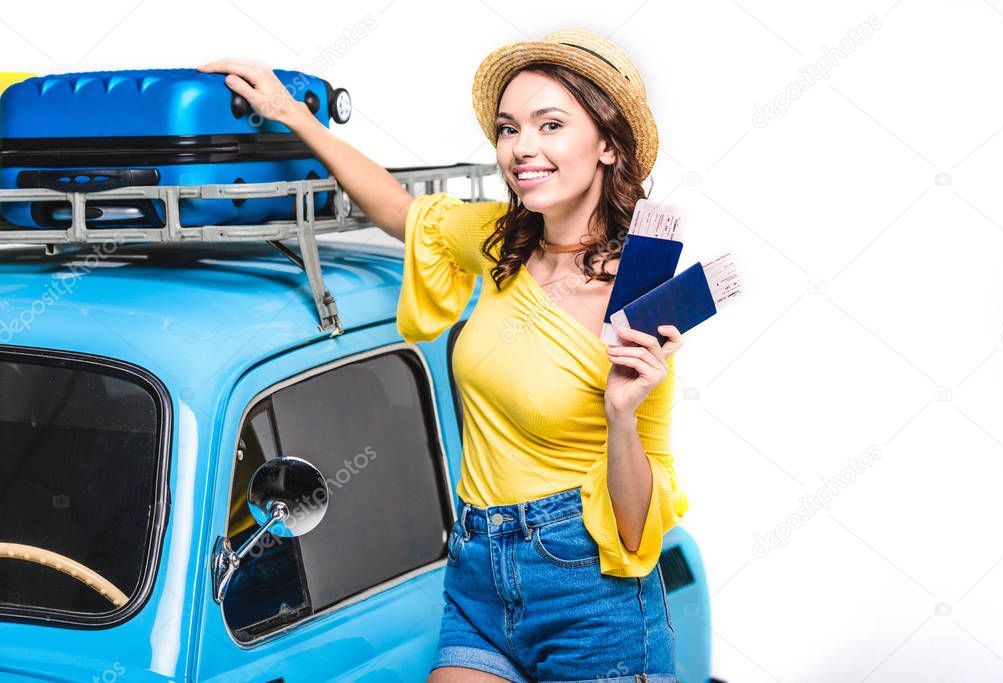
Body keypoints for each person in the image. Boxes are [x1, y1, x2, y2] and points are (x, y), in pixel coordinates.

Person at [200, 27, 688, 682]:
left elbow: (635, 531)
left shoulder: (643, 291)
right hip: (478, 566)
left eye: (550, 125)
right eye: (509, 128)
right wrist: (292, 114)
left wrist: (622, 414)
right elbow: (398, 209)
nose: (522, 148)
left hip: (591, 592)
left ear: (605, 144)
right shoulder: (497, 240)